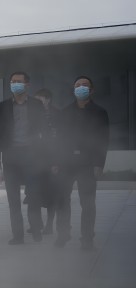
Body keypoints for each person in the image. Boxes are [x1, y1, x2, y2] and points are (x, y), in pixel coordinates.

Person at [53, 76, 109, 250]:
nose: (81, 88)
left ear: (92, 90)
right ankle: (63, 234)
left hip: (88, 163)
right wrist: (55, 161)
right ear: (73, 89)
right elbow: (58, 139)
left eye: (85, 85)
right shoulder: (65, 112)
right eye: (78, 85)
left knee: (88, 203)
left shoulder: (100, 112)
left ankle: (87, 238)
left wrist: (99, 164)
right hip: (66, 163)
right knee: (62, 200)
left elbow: (103, 139)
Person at [0, 71, 48, 245]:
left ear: (27, 85)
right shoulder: (3, 106)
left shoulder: (37, 105)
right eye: (12, 81)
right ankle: (18, 235)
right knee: (13, 198)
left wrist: (45, 155)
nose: (15, 84)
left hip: (31, 156)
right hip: (10, 156)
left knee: (34, 195)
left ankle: (36, 228)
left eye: (18, 81)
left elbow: (45, 131)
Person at [32, 88, 58, 235]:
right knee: (33, 193)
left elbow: (60, 140)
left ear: (48, 100)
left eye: (39, 100)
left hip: (51, 160)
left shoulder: (57, 115)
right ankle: (36, 223)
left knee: (51, 195)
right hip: (34, 160)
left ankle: (49, 224)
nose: (36, 103)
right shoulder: (32, 115)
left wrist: (56, 161)